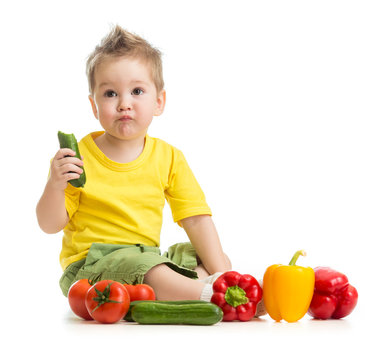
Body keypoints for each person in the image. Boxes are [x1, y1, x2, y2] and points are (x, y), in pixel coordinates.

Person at [36, 25, 237, 304]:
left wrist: (225, 272)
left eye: (137, 91)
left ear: (159, 102)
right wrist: (55, 186)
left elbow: (196, 219)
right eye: (110, 94)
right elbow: (49, 224)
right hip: (90, 267)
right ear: (94, 106)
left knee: (199, 252)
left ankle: (213, 285)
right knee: (148, 268)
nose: (124, 104)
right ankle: (211, 295)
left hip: (146, 258)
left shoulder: (169, 157)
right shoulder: (76, 157)